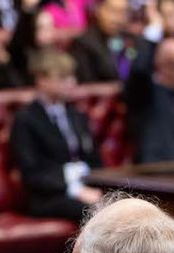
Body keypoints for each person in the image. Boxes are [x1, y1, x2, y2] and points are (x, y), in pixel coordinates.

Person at [9, 51, 104, 220]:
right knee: (95, 212)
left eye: (71, 77)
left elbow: (94, 158)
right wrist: (74, 189)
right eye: (63, 77)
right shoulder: (26, 119)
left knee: (123, 206)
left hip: (87, 187)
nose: (71, 82)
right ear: (42, 79)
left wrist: (97, 186)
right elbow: (32, 174)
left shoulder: (76, 114)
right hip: (49, 197)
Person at [69, 0, 154, 83]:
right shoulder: (84, 43)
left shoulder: (134, 40)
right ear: (99, 9)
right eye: (112, 10)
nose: (117, 18)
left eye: (123, 12)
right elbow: (87, 84)